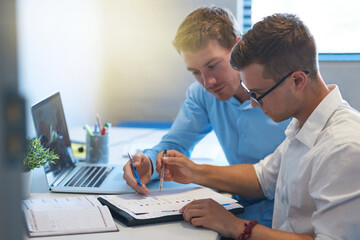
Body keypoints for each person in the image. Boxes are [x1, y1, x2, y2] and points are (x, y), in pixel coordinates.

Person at [157, 13, 360, 239]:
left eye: (259, 94)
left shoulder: (345, 147)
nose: (252, 103)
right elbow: (264, 178)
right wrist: (193, 171)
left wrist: (236, 226)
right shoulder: (303, 124)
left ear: (297, 81)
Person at [122, 6, 290, 227]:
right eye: (195, 72)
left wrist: (197, 174)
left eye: (213, 65)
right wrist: (150, 164)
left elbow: (278, 182)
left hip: (282, 217)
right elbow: (175, 144)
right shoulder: (202, 94)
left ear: (238, 48)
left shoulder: (283, 95)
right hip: (238, 206)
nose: (207, 82)